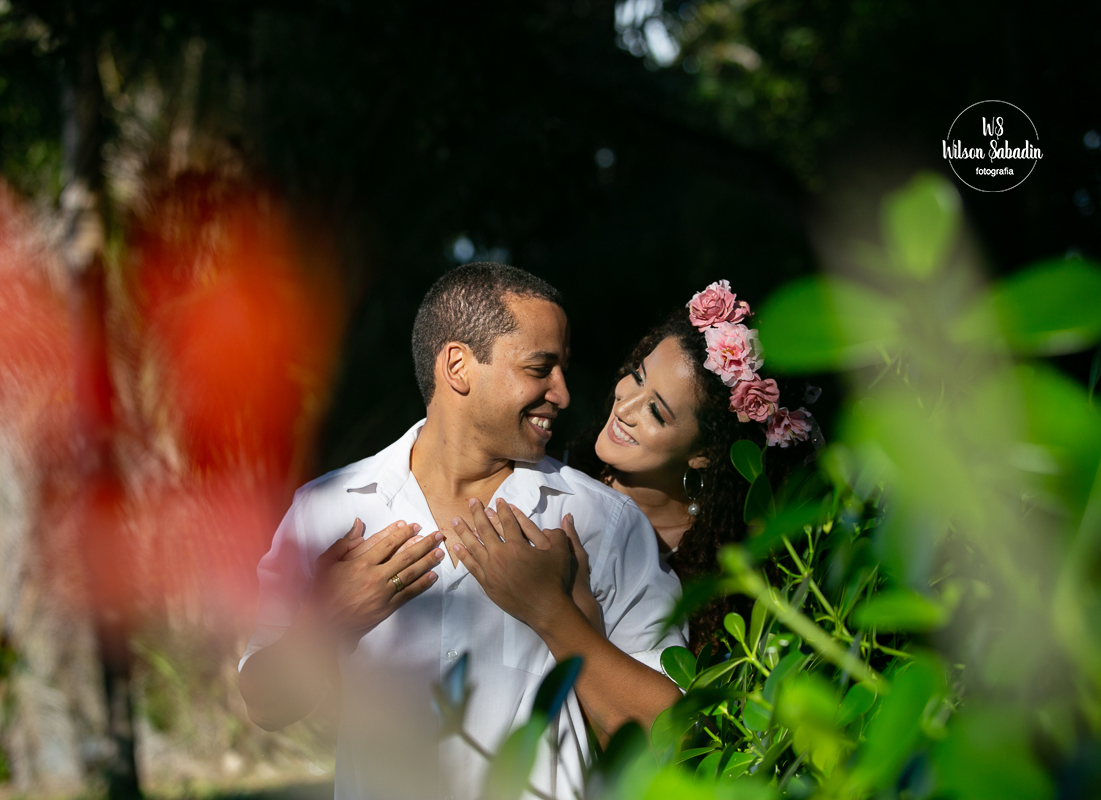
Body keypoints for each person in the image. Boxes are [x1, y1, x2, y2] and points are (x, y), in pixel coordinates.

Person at [237, 263, 685, 800]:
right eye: (541, 368)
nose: (563, 394)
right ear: (458, 366)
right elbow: (265, 706)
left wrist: (554, 616)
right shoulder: (324, 511)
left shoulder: (603, 524)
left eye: (563, 369)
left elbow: (672, 737)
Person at [566, 279, 815, 653]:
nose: (624, 407)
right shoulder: (558, 478)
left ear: (706, 455)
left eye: (656, 411)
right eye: (637, 378)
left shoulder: (726, 566)